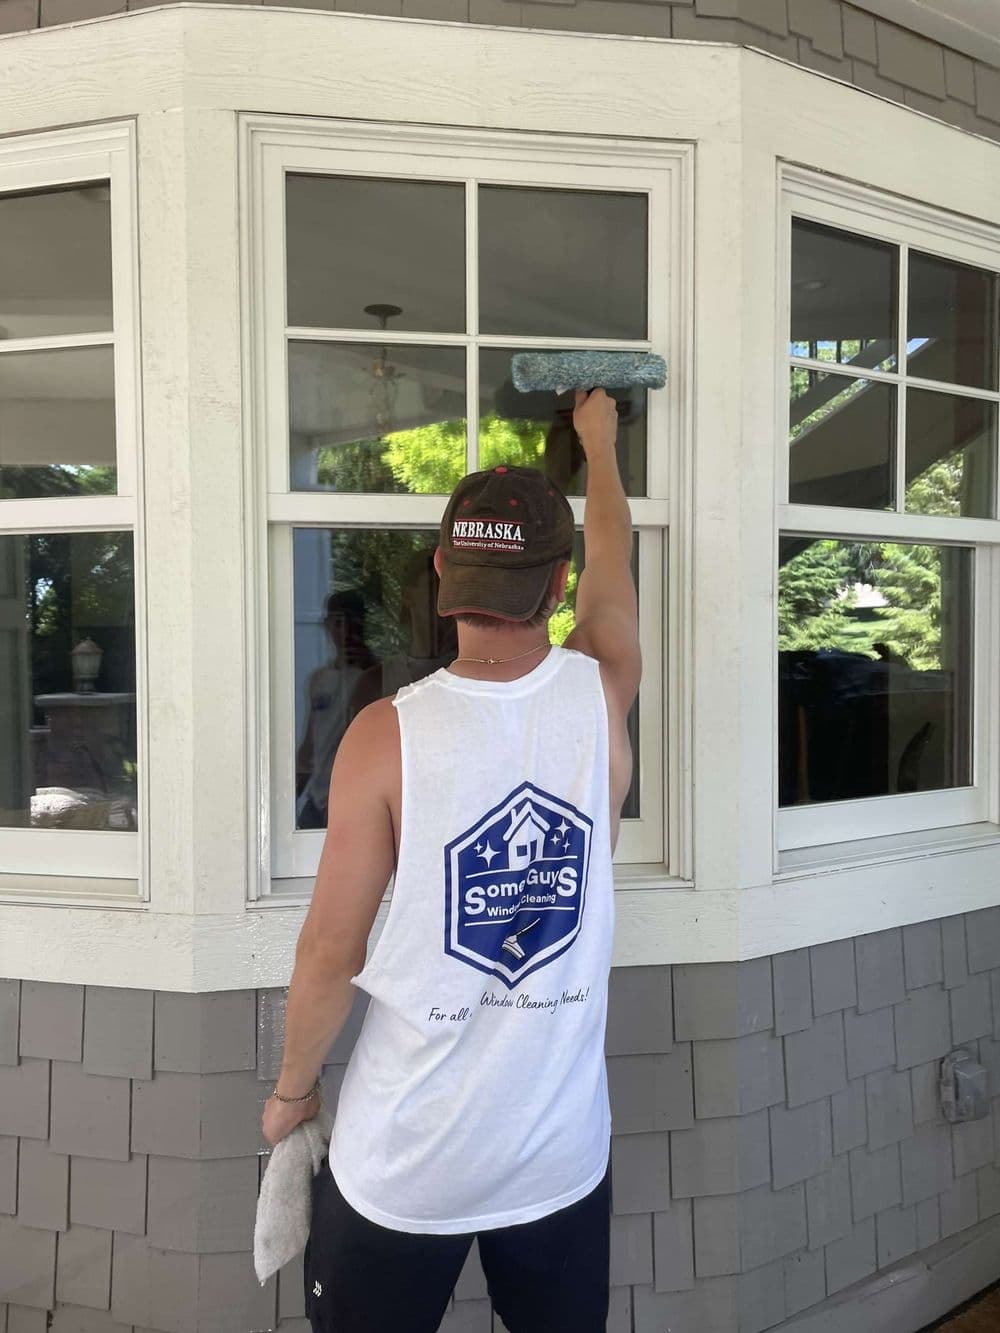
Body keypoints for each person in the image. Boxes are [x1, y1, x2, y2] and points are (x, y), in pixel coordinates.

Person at [262, 388, 641, 1333]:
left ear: (441, 571)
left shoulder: (384, 735)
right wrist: (599, 448)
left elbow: (328, 953)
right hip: (557, 1156)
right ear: (555, 589)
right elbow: (615, 561)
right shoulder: (603, 693)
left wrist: (293, 1091)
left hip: (406, 1161)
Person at [295, 591, 376, 829]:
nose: (347, 632)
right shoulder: (319, 679)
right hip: (317, 800)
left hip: (357, 799)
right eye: (339, 622)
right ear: (328, 626)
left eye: (354, 622)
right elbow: (309, 747)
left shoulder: (379, 677)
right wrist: (282, 806)